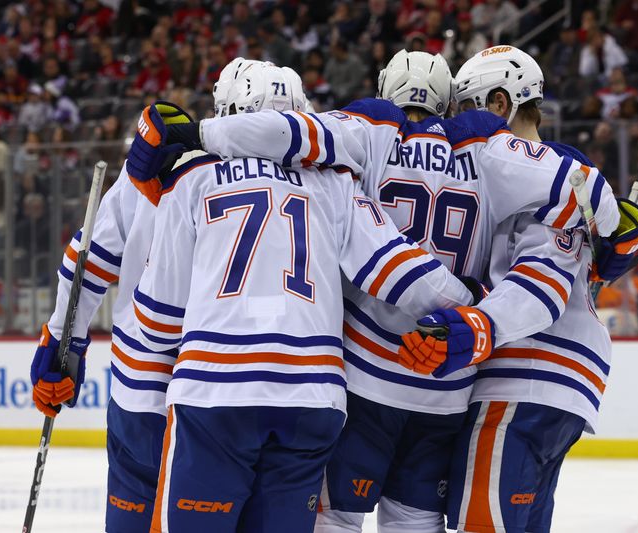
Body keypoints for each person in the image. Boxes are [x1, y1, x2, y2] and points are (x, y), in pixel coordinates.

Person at [160, 48, 620, 532]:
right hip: (447, 385)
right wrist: (613, 234)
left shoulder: (373, 130)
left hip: (366, 375)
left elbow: (290, 136)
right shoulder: (484, 147)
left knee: (334, 517)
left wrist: (197, 135)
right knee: (414, 521)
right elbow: (586, 187)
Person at [130, 63, 479, 533]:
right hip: (312, 396)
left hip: (215, 392)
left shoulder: (192, 177)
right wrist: (475, 302)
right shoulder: (336, 182)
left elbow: (158, 321)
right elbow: (399, 274)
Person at [397, 45, 638, 533]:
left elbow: (542, 278)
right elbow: (593, 256)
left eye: (468, 109)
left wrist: (479, 327)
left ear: (498, 104)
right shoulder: (557, 176)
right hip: (560, 384)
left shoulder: (533, 174)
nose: (459, 128)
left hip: (524, 374)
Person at [27, 58, 265, 533]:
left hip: (141, 389)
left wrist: (61, 343)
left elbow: (88, 258)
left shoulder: (162, 162)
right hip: (235, 391)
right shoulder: (312, 181)